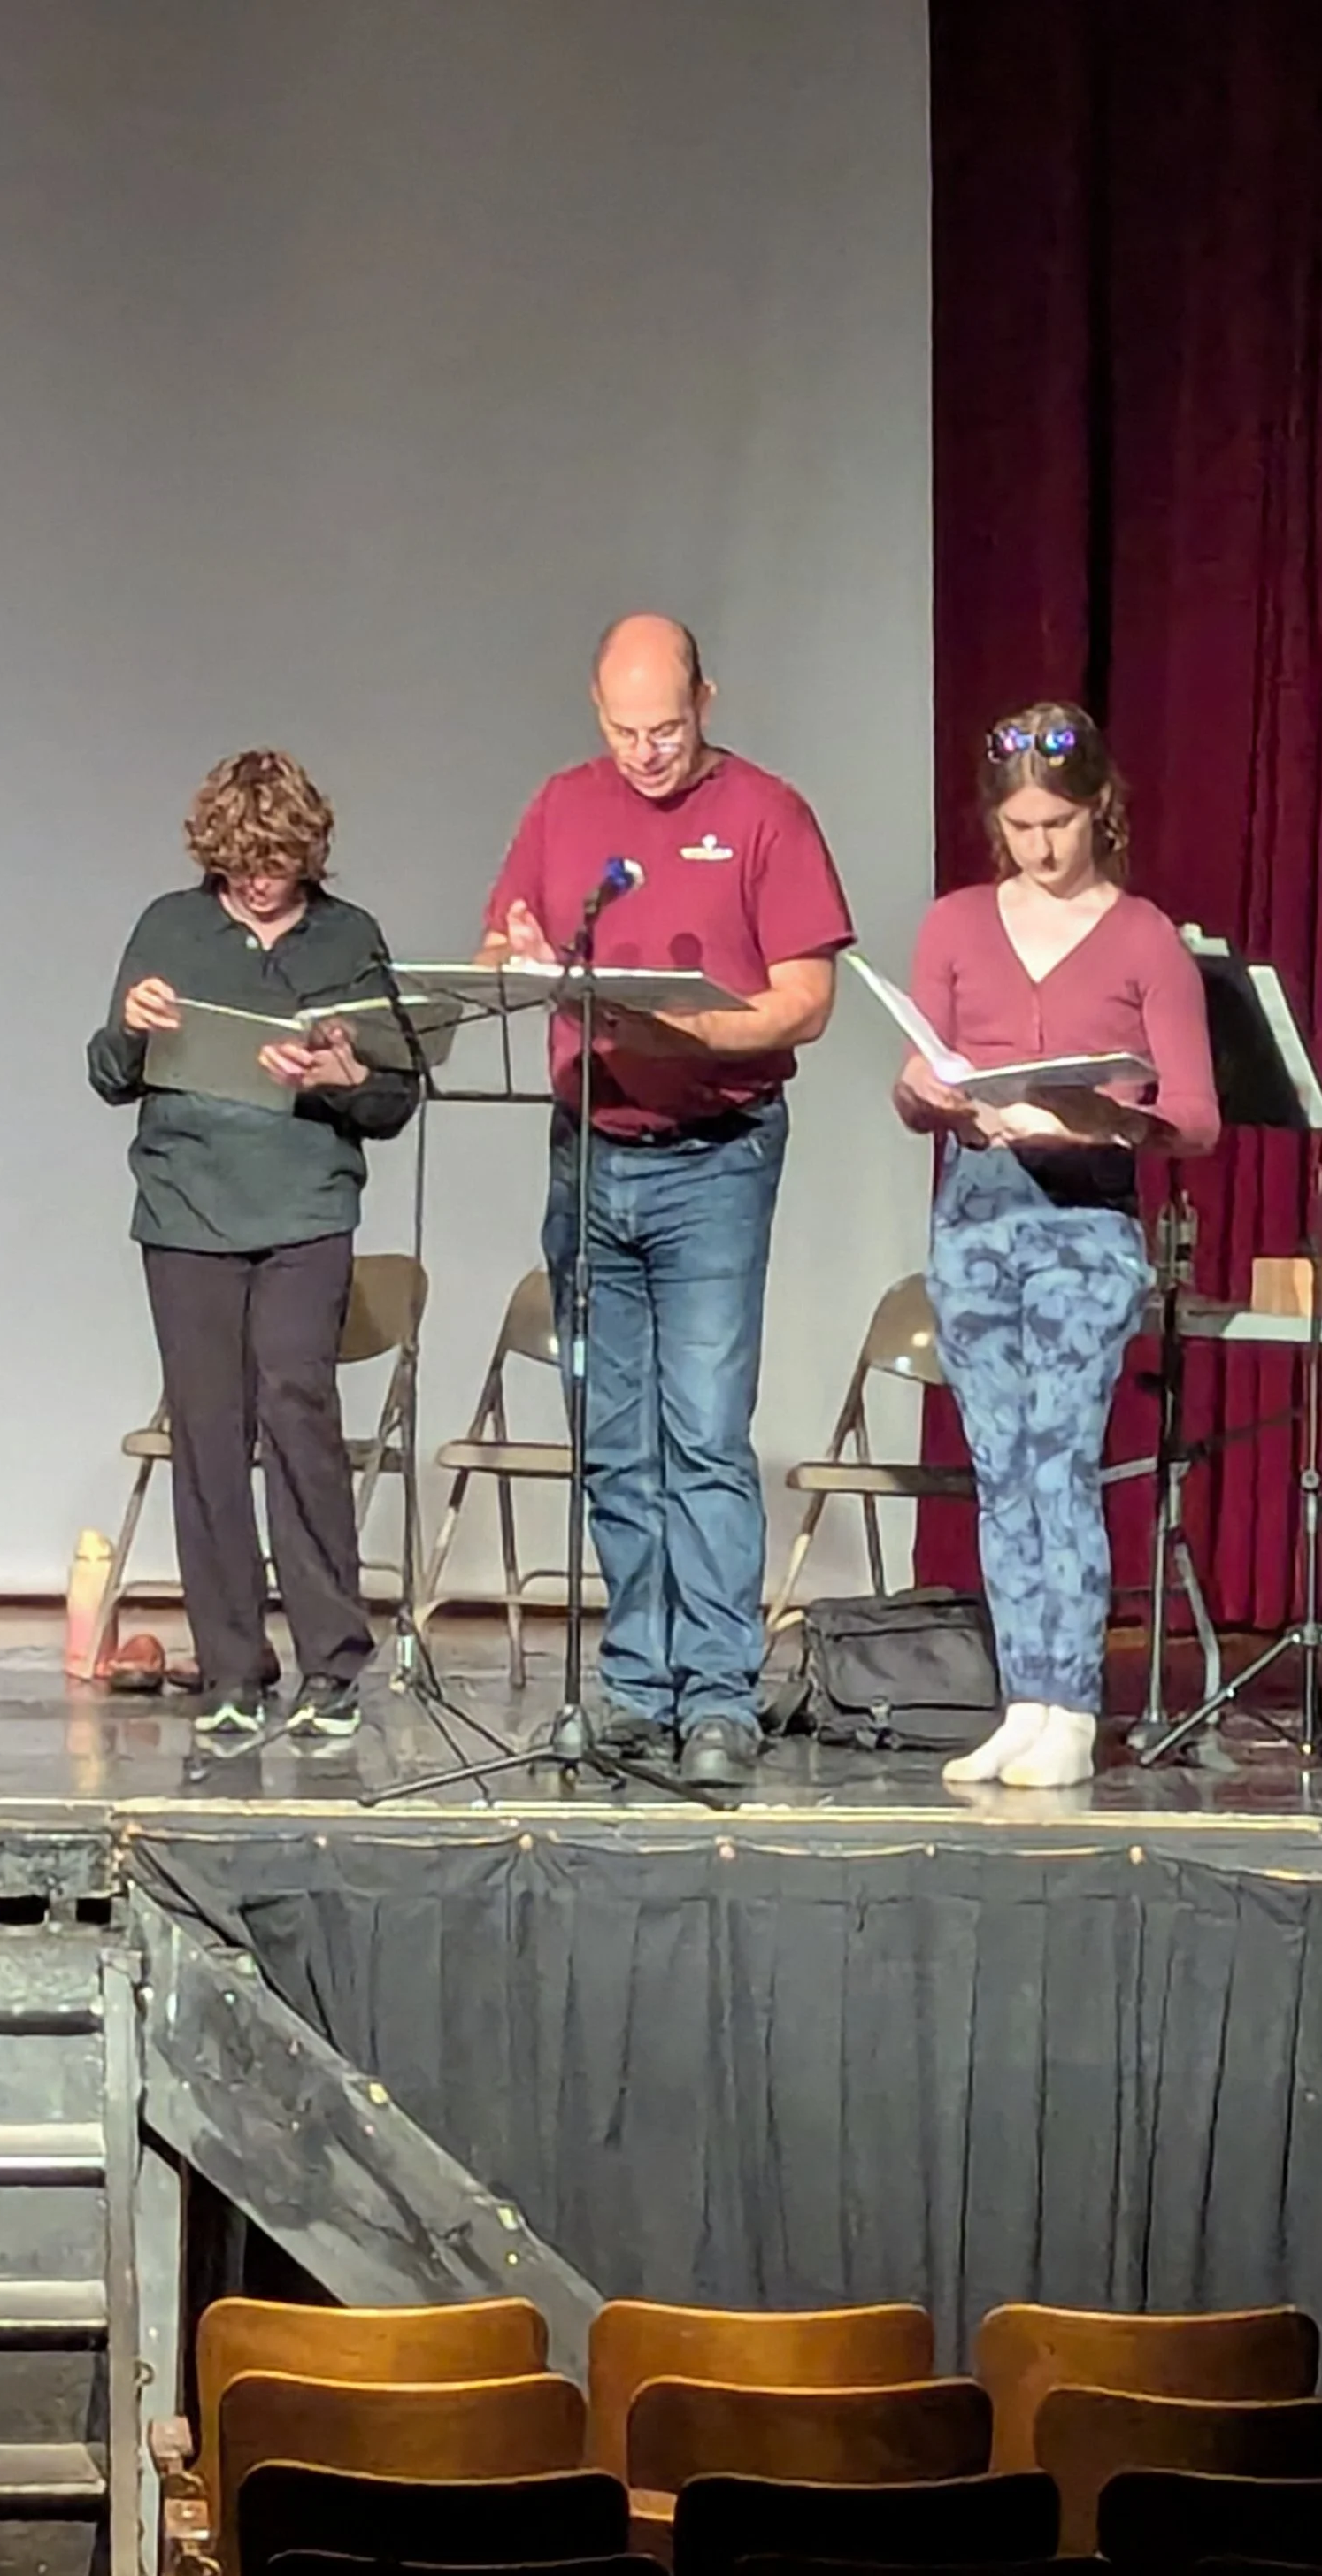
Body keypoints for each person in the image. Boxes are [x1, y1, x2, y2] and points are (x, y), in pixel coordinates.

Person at [481, 614, 852, 1796]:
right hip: (589, 1149)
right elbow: (501, 942)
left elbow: (806, 1000)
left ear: (707, 699)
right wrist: (520, 957)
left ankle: (720, 1692)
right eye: (626, 731)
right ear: (598, 713)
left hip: (715, 1157)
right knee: (613, 1444)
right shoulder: (560, 806)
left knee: (700, 1434)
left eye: (670, 728)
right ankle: (639, 1684)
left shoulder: (765, 813)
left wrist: (683, 1027)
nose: (648, 753)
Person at [894, 701, 1219, 1790]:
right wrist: (929, 1090)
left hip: (1082, 1220)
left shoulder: (1143, 937)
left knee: (1057, 1459)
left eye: (1059, 824)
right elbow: (917, 1085)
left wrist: (1085, 1118)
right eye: (1021, 827)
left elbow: (1196, 1116)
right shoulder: (953, 923)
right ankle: (1022, 1696)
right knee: (997, 1470)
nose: (1040, 847)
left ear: (1098, 812)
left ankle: (1072, 1701)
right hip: (978, 1212)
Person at [87, 750, 417, 1741]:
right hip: (186, 1209)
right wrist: (137, 1031)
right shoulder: (171, 927)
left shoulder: (348, 938)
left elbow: (394, 1097)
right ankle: (231, 1665)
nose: (257, 881)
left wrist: (335, 1074)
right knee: (208, 1430)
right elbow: (108, 1071)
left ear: (306, 855)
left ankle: (332, 1664)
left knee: (299, 1414)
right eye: (237, 864)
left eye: (272, 861)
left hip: (305, 1208)